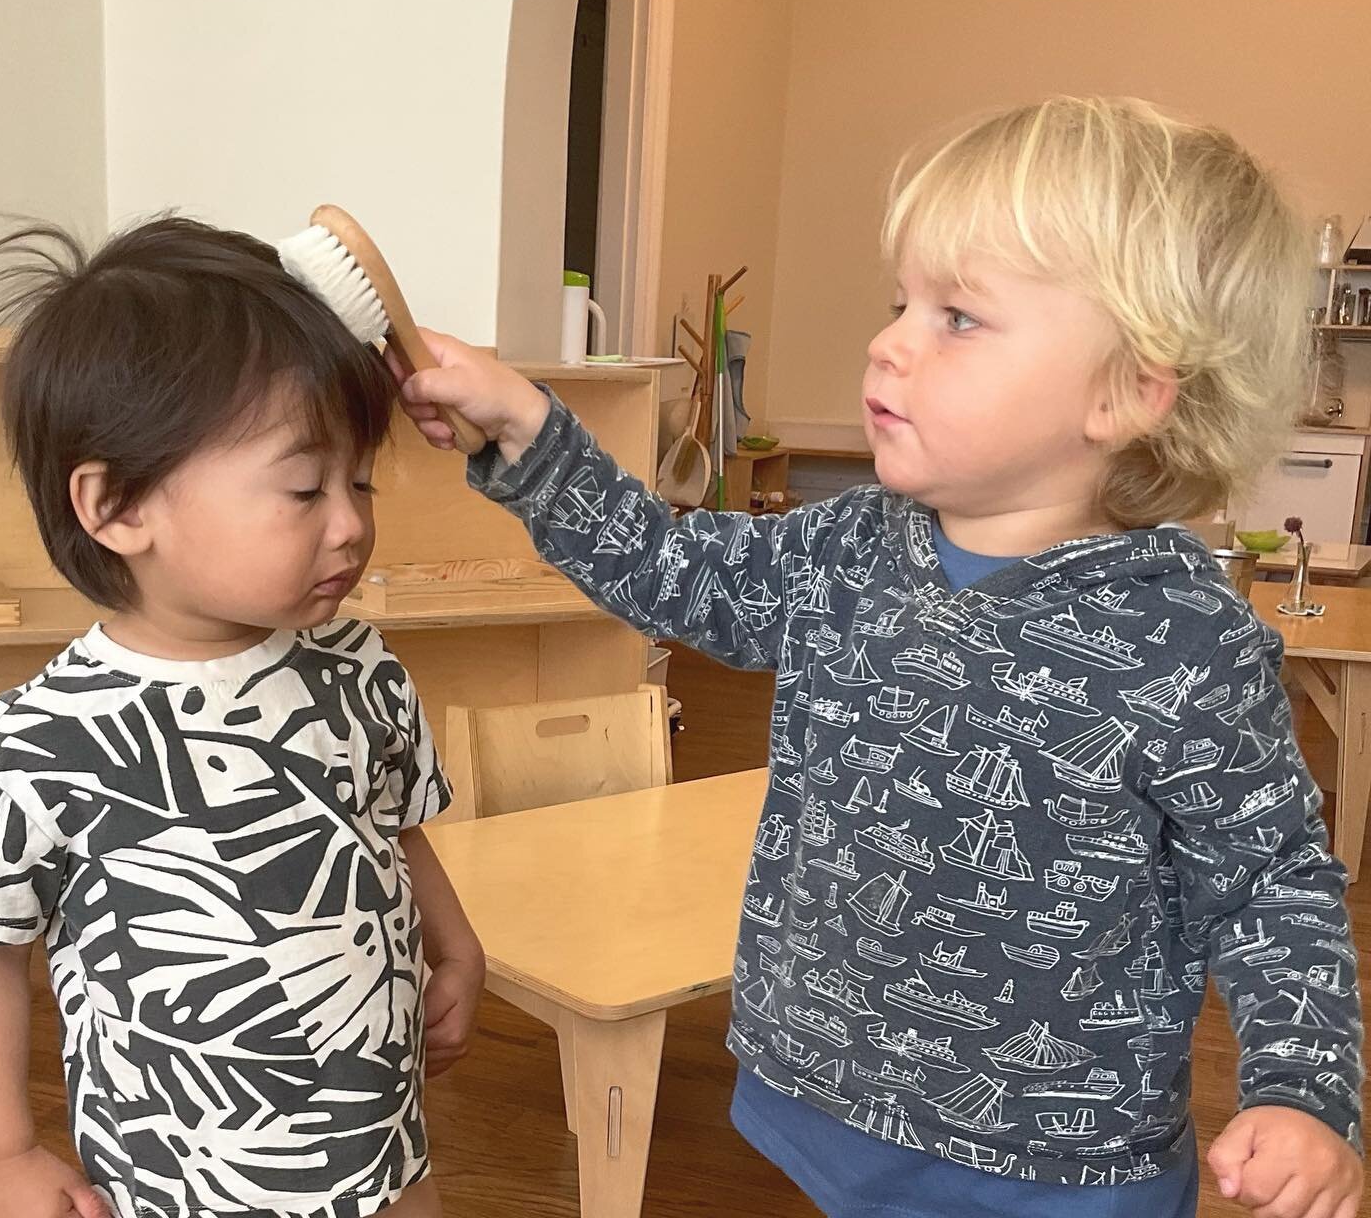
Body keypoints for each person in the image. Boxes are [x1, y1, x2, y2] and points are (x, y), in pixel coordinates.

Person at [397, 98, 1364, 1218]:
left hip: (1047, 1169)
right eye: (901, 301)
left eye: (958, 317)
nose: (889, 339)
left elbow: (1271, 885)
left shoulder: (1189, 645)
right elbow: (673, 567)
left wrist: (1303, 1093)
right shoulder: (850, 547)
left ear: (1129, 391)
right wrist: (527, 427)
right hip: (830, 1101)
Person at [0, 218, 482, 1218]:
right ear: (118, 508)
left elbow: (393, 829)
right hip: (177, 1184)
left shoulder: (360, 670)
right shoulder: (42, 743)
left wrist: (456, 949)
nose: (353, 520)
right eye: (304, 486)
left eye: (359, 479)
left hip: (382, 1152)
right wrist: (2, 1153)